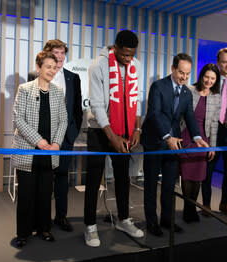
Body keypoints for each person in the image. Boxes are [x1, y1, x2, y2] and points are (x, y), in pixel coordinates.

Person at [84, 30, 144, 247]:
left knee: (122, 176)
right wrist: (113, 137)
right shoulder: (98, 66)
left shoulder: (135, 65)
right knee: (93, 180)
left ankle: (123, 219)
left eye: (131, 55)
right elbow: (97, 107)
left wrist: (136, 128)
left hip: (126, 128)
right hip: (100, 131)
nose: (128, 59)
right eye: (124, 54)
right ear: (115, 47)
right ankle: (90, 226)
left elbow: (136, 98)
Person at [141, 53, 209, 236]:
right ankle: (152, 222)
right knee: (150, 185)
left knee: (170, 185)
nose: (184, 77)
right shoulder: (158, 86)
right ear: (172, 68)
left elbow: (190, 116)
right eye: (181, 72)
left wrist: (197, 137)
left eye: (187, 74)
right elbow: (154, 114)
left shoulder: (187, 93)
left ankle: (166, 220)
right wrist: (167, 137)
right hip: (155, 141)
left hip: (174, 144)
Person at [12, 51, 68, 247]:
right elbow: (18, 119)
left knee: (45, 193)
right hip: (29, 150)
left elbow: (63, 120)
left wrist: (56, 144)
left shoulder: (58, 91)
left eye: (54, 67)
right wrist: (39, 141)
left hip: (49, 151)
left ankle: (44, 229)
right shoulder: (25, 89)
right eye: (48, 67)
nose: (52, 70)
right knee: (26, 194)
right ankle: (23, 233)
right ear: (38, 67)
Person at [28, 39, 82, 232]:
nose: (59, 57)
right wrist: (39, 138)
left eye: (62, 53)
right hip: (42, 141)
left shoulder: (73, 78)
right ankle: (39, 221)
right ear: (47, 53)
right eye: (55, 52)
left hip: (65, 139)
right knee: (41, 180)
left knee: (61, 179)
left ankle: (61, 217)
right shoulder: (34, 76)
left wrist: (71, 135)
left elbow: (77, 111)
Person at [201, 48, 227, 218]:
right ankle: (206, 204)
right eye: (224, 62)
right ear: (218, 63)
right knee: (208, 169)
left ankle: (225, 203)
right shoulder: (211, 80)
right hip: (213, 130)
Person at [179, 63, 220, 223]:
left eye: (212, 78)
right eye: (206, 77)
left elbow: (215, 123)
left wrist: (213, 146)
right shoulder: (189, 90)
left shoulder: (216, 97)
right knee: (187, 175)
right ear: (201, 76)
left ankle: (191, 207)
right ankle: (188, 210)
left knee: (198, 176)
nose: (209, 81)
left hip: (204, 140)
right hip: (187, 136)